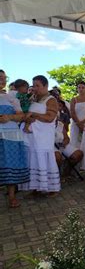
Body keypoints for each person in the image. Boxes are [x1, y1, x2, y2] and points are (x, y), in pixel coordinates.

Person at [19, 75, 60, 196]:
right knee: (34, 159)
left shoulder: (51, 100)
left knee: (44, 160)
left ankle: (51, 187)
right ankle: (36, 186)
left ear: (46, 86)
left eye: (38, 85)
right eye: (34, 85)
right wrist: (27, 120)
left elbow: (50, 118)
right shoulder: (33, 99)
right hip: (32, 137)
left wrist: (33, 115)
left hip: (43, 138)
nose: (35, 88)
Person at [0, 72, 29, 207]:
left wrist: (9, 117)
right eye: (0, 78)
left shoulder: (11, 97)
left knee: (10, 164)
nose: (3, 80)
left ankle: (12, 197)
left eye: (4, 78)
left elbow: (21, 116)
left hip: (11, 135)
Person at [69, 81, 85, 149]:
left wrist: (83, 122)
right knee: (75, 143)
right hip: (76, 124)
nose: (80, 89)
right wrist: (79, 124)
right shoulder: (74, 99)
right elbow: (72, 112)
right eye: (79, 87)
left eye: (83, 87)